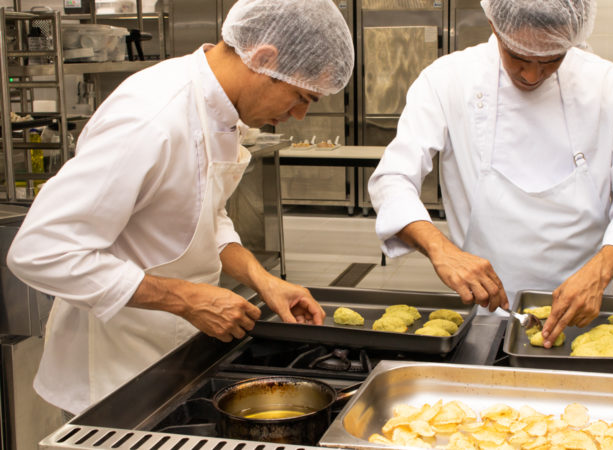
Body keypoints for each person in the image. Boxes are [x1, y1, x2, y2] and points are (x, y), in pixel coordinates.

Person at [6, 0, 354, 416]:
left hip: (172, 356)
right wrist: (187, 299)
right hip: (112, 373)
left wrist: (262, 279)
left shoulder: (221, 112)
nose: (299, 114)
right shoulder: (152, 119)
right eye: (301, 96)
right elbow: (41, 251)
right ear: (263, 59)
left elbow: (206, 213)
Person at [368, 0, 613, 348]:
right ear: (495, 26)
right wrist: (441, 250)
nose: (532, 75)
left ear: (572, 38)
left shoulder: (612, 88)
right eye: (518, 58)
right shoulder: (447, 80)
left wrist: (599, 273)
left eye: (551, 60)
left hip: (588, 320)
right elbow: (393, 179)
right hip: (488, 315)